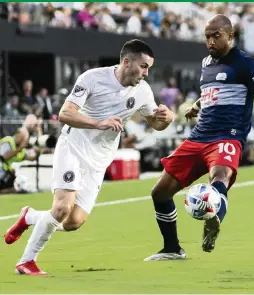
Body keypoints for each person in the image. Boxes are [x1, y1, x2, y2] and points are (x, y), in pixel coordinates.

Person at [4, 39, 174, 275]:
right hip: (72, 146)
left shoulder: (143, 91)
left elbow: (155, 124)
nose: (146, 73)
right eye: (144, 66)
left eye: (149, 68)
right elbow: (64, 114)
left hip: (99, 160)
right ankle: (26, 261)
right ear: (126, 61)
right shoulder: (92, 78)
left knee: (73, 222)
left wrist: (167, 118)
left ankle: (30, 216)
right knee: (62, 208)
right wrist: (98, 123)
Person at [144, 15, 254, 261]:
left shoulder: (246, 64)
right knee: (160, 192)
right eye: (207, 37)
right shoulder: (206, 63)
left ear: (230, 36)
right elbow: (213, 90)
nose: (210, 41)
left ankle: (214, 218)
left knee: (219, 177)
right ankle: (172, 248)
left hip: (227, 136)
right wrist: (197, 105)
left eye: (216, 36)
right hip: (199, 136)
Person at [0, 115, 42, 194]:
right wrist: (20, 148)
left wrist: (39, 132)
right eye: (23, 137)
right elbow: (4, 157)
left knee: (15, 182)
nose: (24, 140)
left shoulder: (22, 151)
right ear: (18, 134)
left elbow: (34, 156)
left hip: (4, 177)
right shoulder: (8, 141)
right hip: (2, 174)